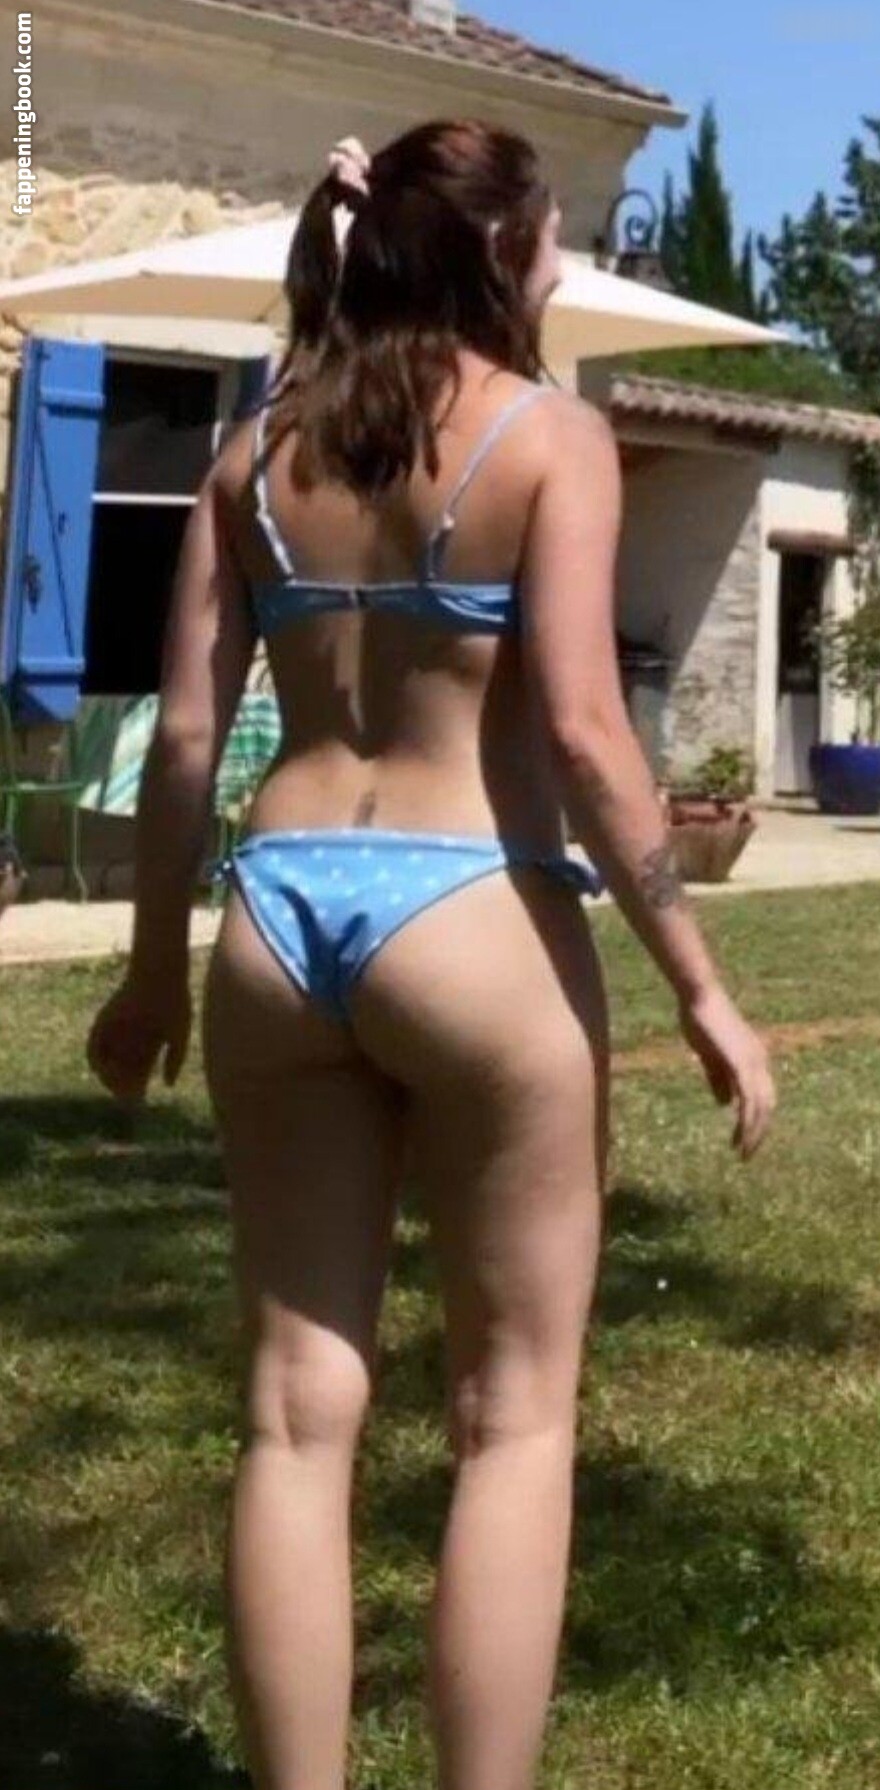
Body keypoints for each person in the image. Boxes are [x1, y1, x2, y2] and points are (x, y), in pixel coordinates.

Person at [86, 119, 775, 1790]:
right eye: (551, 238)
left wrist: (156, 968)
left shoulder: (256, 454)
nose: (561, 263)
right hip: (475, 907)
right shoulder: (552, 438)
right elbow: (592, 736)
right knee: (512, 1416)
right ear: (500, 255)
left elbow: (189, 741)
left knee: (292, 1412)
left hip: (277, 916)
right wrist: (701, 985)